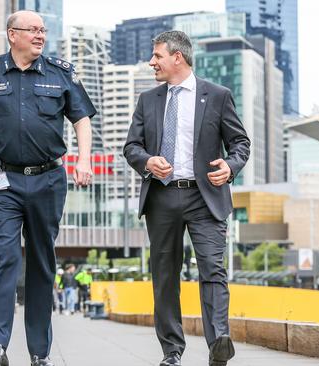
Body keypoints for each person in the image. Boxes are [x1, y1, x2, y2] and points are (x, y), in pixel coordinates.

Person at [0, 10, 96, 366]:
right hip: (3, 181)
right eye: (33, 30)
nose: (40, 35)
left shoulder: (60, 73)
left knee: (42, 263)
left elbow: (81, 119)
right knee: (4, 256)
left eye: (43, 30)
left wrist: (84, 159)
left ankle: (39, 352)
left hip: (49, 179)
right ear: (11, 34)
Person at [123, 30, 250, 366]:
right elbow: (131, 146)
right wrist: (147, 161)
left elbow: (241, 144)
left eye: (157, 56)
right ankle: (172, 351)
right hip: (161, 198)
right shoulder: (147, 100)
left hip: (204, 196)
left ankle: (219, 341)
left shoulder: (218, 95)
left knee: (213, 269)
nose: (152, 62)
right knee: (164, 276)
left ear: (177, 57)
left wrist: (231, 165)